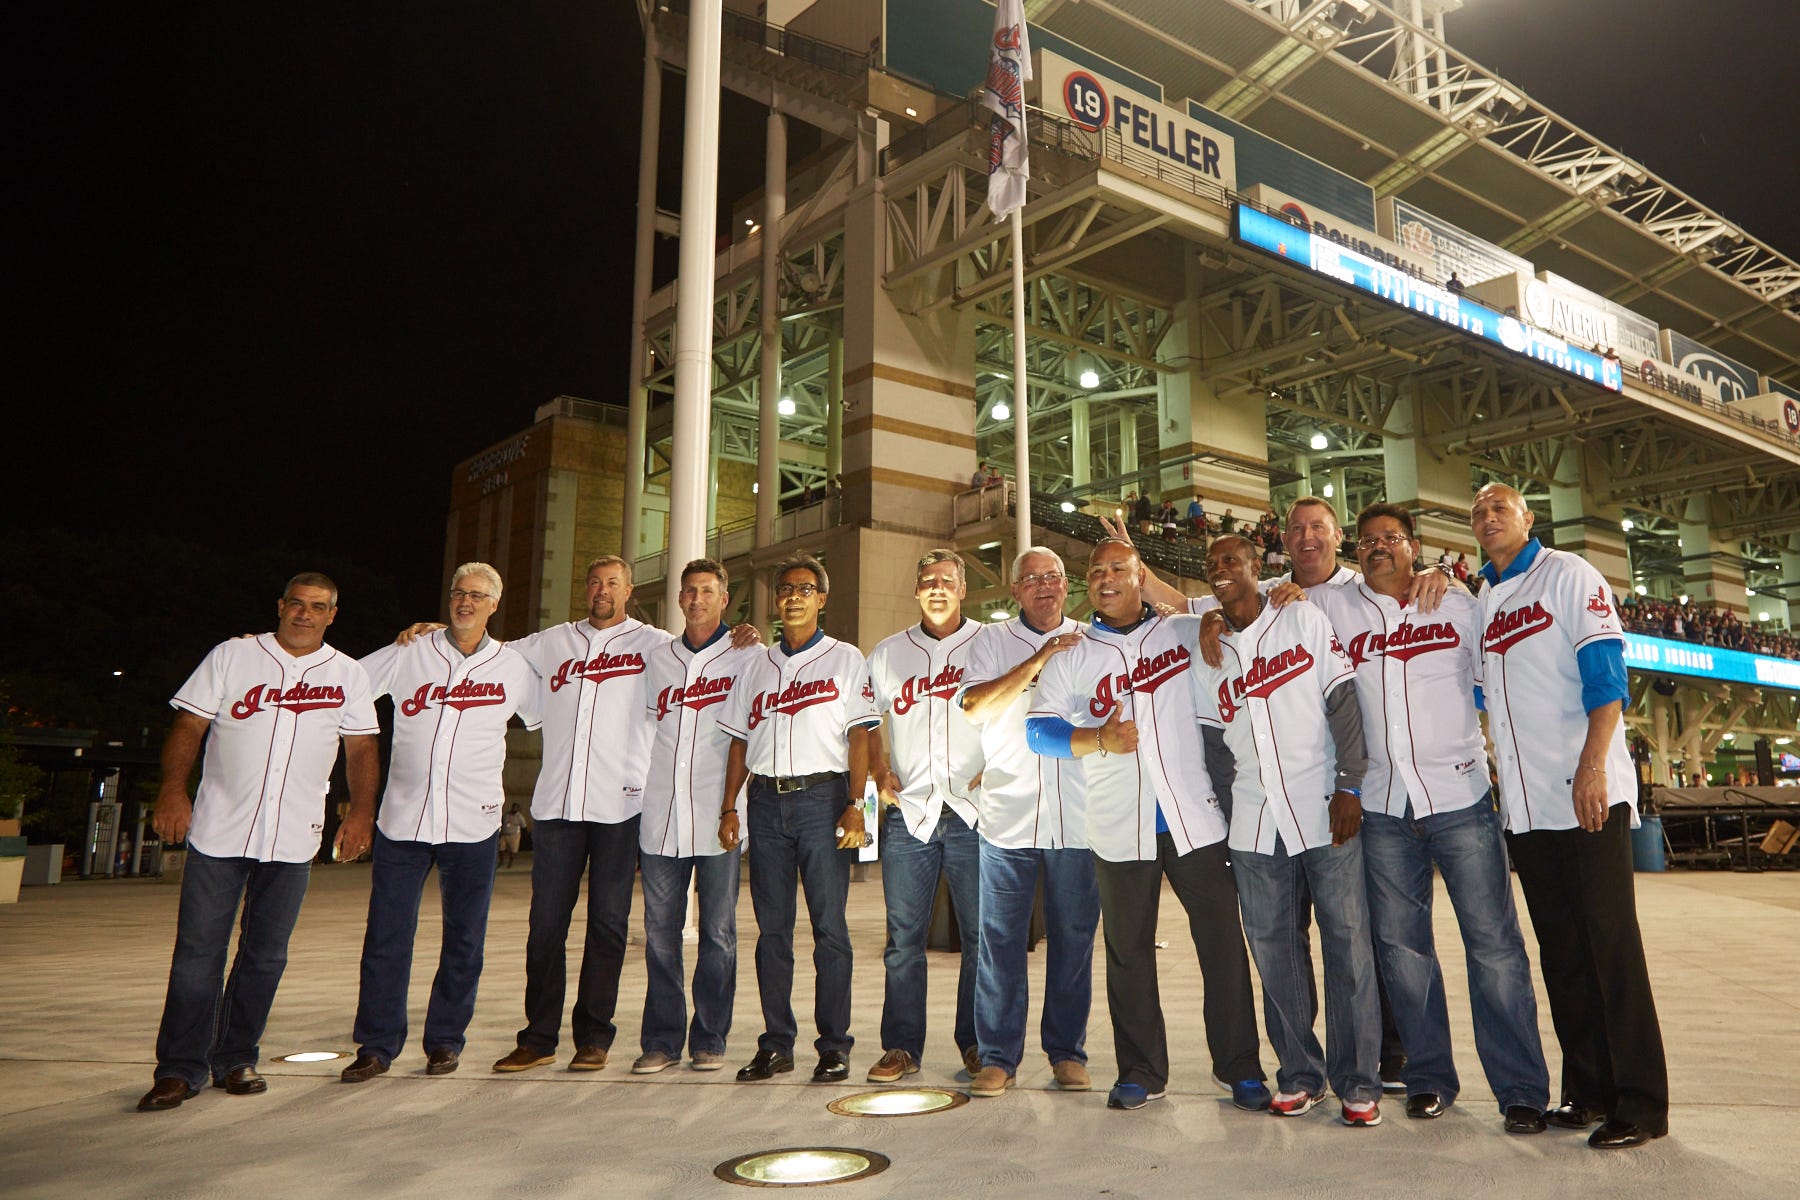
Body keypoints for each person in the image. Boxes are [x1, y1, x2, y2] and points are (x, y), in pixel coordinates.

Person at [1312, 507, 1551, 1134]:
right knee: (1404, 953)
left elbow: (1494, 677)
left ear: (1413, 546)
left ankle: (1522, 1089)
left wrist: (1450, 574)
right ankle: (1429, 1078)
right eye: (1366, 542)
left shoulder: (1459, 605)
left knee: (1495, 949)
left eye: (1390, 538)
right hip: (1384, 808)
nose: (1377, 549)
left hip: (1461, 797)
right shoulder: (1334, 611)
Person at [1026, 540, 1268, 1113]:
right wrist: (1095, 739)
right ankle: (1141, 1069)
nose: (1105, 577)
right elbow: (1038, 731)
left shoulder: (1182, 632)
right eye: (1096, 570)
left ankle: (1241, 1068)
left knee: (1223, 948)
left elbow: (1237, 611)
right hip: (1116, 824)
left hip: (1194, 818)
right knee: (1128, 951)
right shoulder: (1072, 654)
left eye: (1118, 568)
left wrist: (1220, 613)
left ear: (1141, 575)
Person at [1469, 482, 1669, 1150]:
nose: (1488, 517)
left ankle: (1639, 1104)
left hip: (1585, 793)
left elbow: (1607, 678)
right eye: (1477, 511)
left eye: (1500, 507)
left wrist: (1592, 768)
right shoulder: (1484, 600)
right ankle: (1586, 1090)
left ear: (1528, 519)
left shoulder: (1569, 576)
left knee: (1608, 949)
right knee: (1562, 953)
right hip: (1527, 810)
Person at [139, 573, 381, 1111]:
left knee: (265, 956)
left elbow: (361, 749)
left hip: (294, 837)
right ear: (280, 606)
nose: (305, 614)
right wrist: (173, 791)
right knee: (197, 955)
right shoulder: (233, 655)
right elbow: (189, 727)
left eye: (318, 607)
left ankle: (235, 1057)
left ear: (332, 615)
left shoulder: (347, 673)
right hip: (219, 828)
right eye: (296, 604)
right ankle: (179, 1069)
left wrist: (362, 813)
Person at [1194, 535, 1382, 1126]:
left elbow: (1342, 701)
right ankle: (1300, 1073)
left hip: (1323, 805)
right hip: (1254, 822)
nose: (1222, 571)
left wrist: (1350, 784)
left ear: (1258, 568)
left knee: (1348, 944)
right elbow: (1212, 746)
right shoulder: (1209, 648)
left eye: (1232, 560)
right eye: (1213, 564)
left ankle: (1359, 1080)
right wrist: (1227, 819)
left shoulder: (1300, 616)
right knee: (1275, 952)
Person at [340, 563, 542, 1084]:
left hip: (474, 824)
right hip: (404, 820)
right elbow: (344, 682)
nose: (465, 602)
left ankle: (445, 1041)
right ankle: (377, 1045)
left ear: (495, 605)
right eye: (458, 593)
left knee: (464, 940)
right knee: (386, 936)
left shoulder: (512, 667)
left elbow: (553, 714)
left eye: (477, 595)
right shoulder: (412, 651)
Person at [491, 555, 670, 1075]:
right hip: (558, 806)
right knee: (545, 924)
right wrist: (436, 633)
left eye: (612, 583)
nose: (601, 590)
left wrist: (744, 637)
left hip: (622, 804)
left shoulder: (653, 644)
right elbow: (485, 653)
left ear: (629, 590)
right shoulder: (552, 642)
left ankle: (594, 1037)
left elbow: (706, 657)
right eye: (594, 581)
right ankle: (538, 1037)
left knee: (608, 925)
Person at [717, 554, 881, 1084]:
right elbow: (739, 743)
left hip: (822, 799)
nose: (793, 596)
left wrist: (856, 802)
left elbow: (860, 735)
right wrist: (728, 807)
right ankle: (776, 1044)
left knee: (830, 930)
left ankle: (834, 1045)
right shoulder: (755, 665)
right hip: (765, 803)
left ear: (822, 598)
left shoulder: (845, 659)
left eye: (805, 589)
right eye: (785, 588)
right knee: (773, 932)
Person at [956, 548, 1100, 1098]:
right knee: (1000, 941)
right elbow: (974, 707)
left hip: (1078, 817)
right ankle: (997, 1057)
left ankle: (1067, 1051)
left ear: (1068, 587)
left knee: (1074, 939)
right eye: (1032, 579)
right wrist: (1037, 661)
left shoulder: (1094, 640)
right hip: (1008, 819)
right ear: (1014, 591)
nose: (1045, 586)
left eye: (1054, 577)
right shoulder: (990, 642)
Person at [632, 559, 758, 1074]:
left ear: (725, 598)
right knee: (660, 933)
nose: (697, 599)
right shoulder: (658, 660)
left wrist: (732, 805)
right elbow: (646, 729)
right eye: (689, 591)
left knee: (718, 934)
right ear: (679, 599)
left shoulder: (748, 655)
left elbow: (747, 737)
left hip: (718, 814)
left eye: (707, 591)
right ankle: (661, 1039)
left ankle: (710, 1037)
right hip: (660, 814)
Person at [864, 550, 985, 1083]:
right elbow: (867, 721)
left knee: (983, 937)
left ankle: (978, 1045)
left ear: (962, 589)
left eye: (947, 580)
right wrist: (878, 768)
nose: (937, 588)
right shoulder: (889, 653)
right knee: (903, 939)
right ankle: (901, 1046)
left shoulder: (991, 643)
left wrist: (1002, 768)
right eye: (928, 581)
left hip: (973, 811)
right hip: (911, 811)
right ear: (916, 590)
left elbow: (1024, 706)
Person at [499, 803, 524, 869]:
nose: (514, 809)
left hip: (514, 835)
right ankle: (501, 862)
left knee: (512, 850)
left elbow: (524, 826)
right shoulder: (506, 815)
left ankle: (510, 863)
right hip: (504, 834)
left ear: (518, 809)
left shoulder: (520, 817)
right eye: (513, 807)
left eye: (516, 808)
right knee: (501, 848)